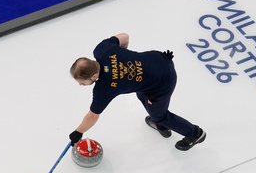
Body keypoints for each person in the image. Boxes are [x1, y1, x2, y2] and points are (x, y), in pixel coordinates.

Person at [69, 33, 205, 152]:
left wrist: (78, 132)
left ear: (94, 76)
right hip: (159, 59)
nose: (81, 85)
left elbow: (93, 116)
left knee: (160, 115)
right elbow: (124, 36)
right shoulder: (102, 49)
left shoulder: (104, 88)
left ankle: (195, 133)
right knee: (141, 93)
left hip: (163, 81)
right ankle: (161, 125)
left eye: (82, 82)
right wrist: (123, 60)